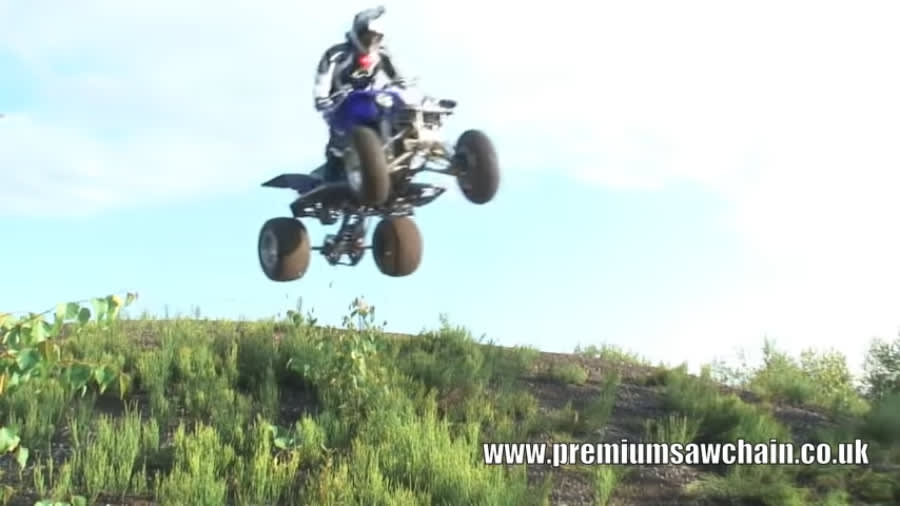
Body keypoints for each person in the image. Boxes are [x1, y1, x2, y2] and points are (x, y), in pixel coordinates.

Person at [311, 6, 407, 182]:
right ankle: (331, 175)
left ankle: (398, 162)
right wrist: (321, 97)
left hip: (370, 99)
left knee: (397, 115)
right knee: (339, 137)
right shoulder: (337, 53)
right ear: (357, 33)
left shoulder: (381, 54)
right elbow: (322, 76)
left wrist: (403, 86)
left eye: (376, 38)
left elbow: (398, 76)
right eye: (368, 36)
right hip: (339, 102)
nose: (371, 41)